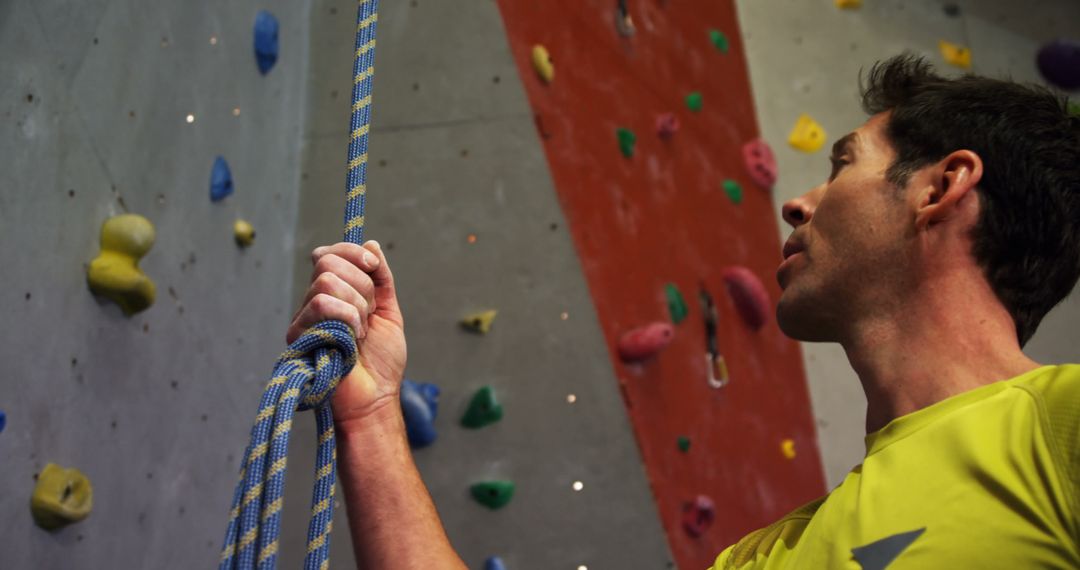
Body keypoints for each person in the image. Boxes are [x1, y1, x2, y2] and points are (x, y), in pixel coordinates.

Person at [287, 54, 1080, 569]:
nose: (798, 204)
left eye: (842, 164)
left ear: (939, 188)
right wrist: (371, 417)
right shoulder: (766, 558)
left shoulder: (1054, 431)